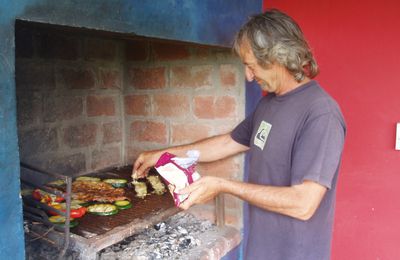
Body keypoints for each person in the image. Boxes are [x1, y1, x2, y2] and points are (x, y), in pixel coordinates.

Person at [133, 9, 346, 260]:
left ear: (277, 58)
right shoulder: (269, 104)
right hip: (260, 249)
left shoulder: (321, 114)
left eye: (250, 65)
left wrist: (224, 185)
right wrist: (163, 155)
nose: (248, 75)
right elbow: (227, 143)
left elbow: (303, 204)